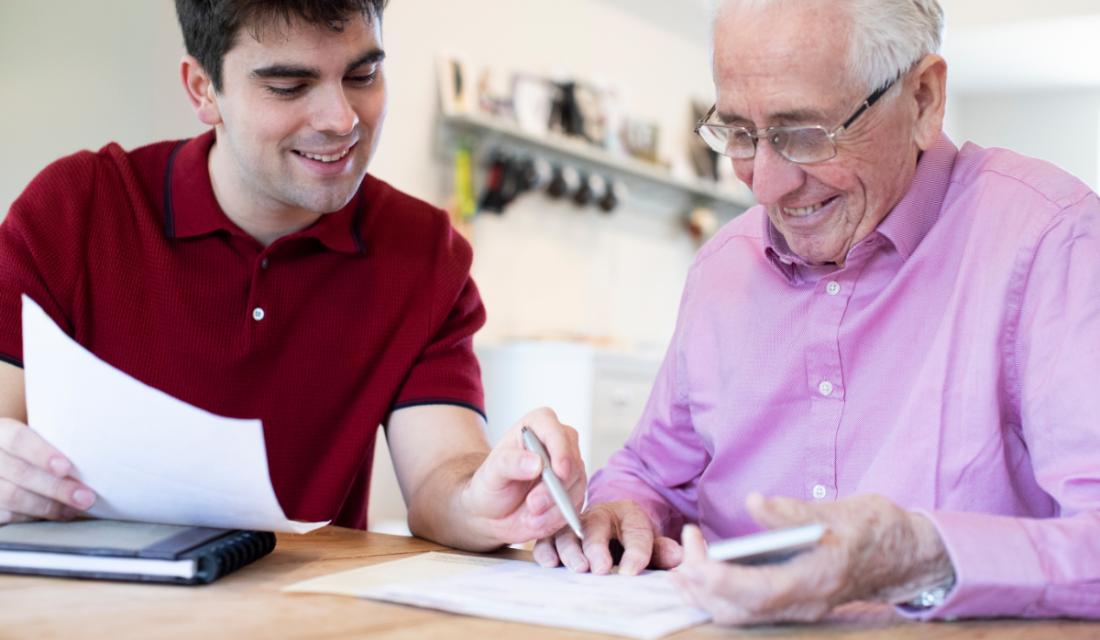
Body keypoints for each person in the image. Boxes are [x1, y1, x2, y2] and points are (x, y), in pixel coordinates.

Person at [535, 0, 1100, 625]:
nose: (765, 184)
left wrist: (923, 559)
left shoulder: (1052, 240)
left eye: (804, 134)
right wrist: (625, 514)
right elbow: (652, 473)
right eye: (741, 134)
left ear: (922, 100)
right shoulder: (723, 266)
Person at [0, 0, 585, 553]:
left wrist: (486, 497)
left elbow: (440, 475)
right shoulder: (77, 208)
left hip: (303, 614)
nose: (341, 119)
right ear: (203, 89)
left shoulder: (426, 252)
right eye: (289, 86)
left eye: (362, 75)